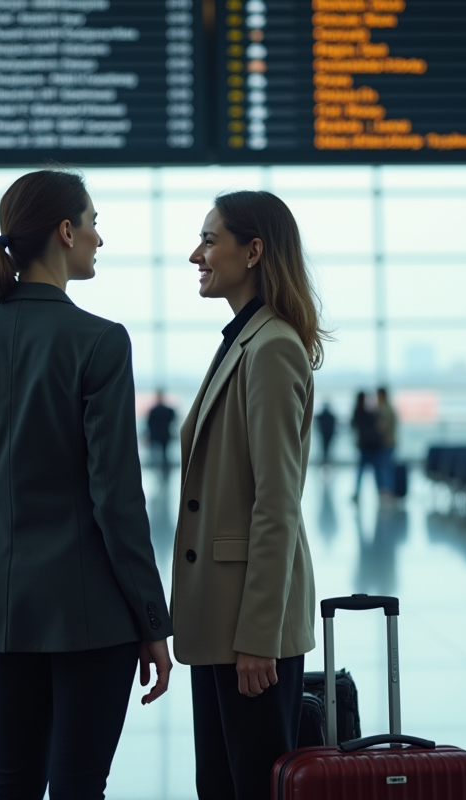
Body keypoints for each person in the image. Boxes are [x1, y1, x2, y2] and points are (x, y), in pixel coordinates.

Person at [0, 170, 173, 800]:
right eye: (92, 222)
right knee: (79, 782)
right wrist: (151, 617)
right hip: (90, 607)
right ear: (65, 231)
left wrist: (3, 522)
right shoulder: (101, 341)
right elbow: (116, 497)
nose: (99, 239)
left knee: (13, 777)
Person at [174, 190, 322, 800]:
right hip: (222, 619)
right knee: (223, 786)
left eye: (210, 240)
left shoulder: (272, 347)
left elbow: (277, 503)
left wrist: (258, 636)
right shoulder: (244, 339)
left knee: (250, 787)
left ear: (254, 250)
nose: (195, 254)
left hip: (247, 629)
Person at [350, 391, 381, 502]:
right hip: (372, 445)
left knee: (361, 471)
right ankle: (379, 492)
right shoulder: (369, 413)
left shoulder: (357, 412)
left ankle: (357, 493)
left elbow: (353, 425)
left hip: (364, 445)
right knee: (376, 470)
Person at [375, 387, 397, 499]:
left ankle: (387, 491)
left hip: (387, 443)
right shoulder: (388, 408)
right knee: (386, 466)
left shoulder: (385, 409)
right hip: (388, 442)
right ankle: (386, 490)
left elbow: (382, 427)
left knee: (386, 467)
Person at [146, 391, 177, 471]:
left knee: (155, 453)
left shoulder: (153, 411)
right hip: (165, 434)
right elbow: (174, 421)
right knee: (165, 454)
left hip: (156, 435)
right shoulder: (168, 411)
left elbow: (149, 424)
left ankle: (157, 469)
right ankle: (164, 468)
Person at [316, 401, 337, 466]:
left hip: (325, 434)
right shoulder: (331, 416)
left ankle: (325, 461)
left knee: (325, 448)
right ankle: (326, 461)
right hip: (328, 434)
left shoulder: (323, 416)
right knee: (326, 448)